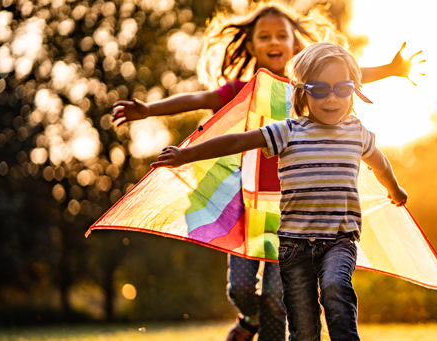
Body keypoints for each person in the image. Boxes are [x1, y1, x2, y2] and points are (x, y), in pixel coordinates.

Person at [112, 4, 421, 341]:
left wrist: (391, 69)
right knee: (242, 288)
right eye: (264, 36)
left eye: (281, 35)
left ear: (294, 42)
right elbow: (198, 98)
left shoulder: (310, 86)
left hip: (293, 218)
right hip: (250, 204)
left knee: (279, 296)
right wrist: (149, 109)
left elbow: (347, 77)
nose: (274, 41)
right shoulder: (242, 89)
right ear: (251, 44)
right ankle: (249, 319)